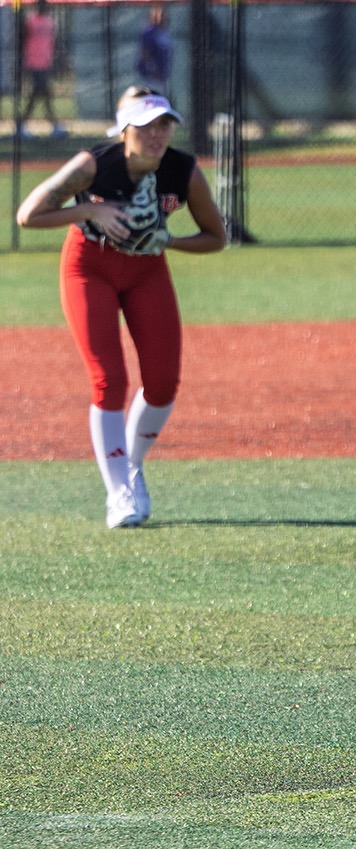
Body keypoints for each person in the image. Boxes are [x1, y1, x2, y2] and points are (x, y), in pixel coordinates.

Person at [14, 86, 228, 528]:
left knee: (164, 383)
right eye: (147, 125)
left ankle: (132, 465)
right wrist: (91, 212)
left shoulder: (182, 169)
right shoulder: (94, 163)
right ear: (124, 129)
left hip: (147, 269)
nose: (158, 134)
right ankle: (119, 494)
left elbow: (216, 237)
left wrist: (168, 240)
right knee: (109, 378)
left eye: (165, 124)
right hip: (89, 267)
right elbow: (28, 214)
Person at [19, 0, 65, 139]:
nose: (43, 8)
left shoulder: (50, 22)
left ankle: (22, 125)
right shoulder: (30, 21)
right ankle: (53, 125)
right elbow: (22, 41)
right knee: (41, 92)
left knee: (41, 94)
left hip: (46, 63)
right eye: (41, 5)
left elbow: (54, 43)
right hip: (33, 62)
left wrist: (58, 61)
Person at [137, 4, 173, 88]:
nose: (161, 17)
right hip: (151, 78)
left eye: (162, 14)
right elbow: (145, 53)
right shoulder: (149, 32)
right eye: (157, 13)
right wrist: (150, 70)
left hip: (162, 77)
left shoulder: (164, 32)